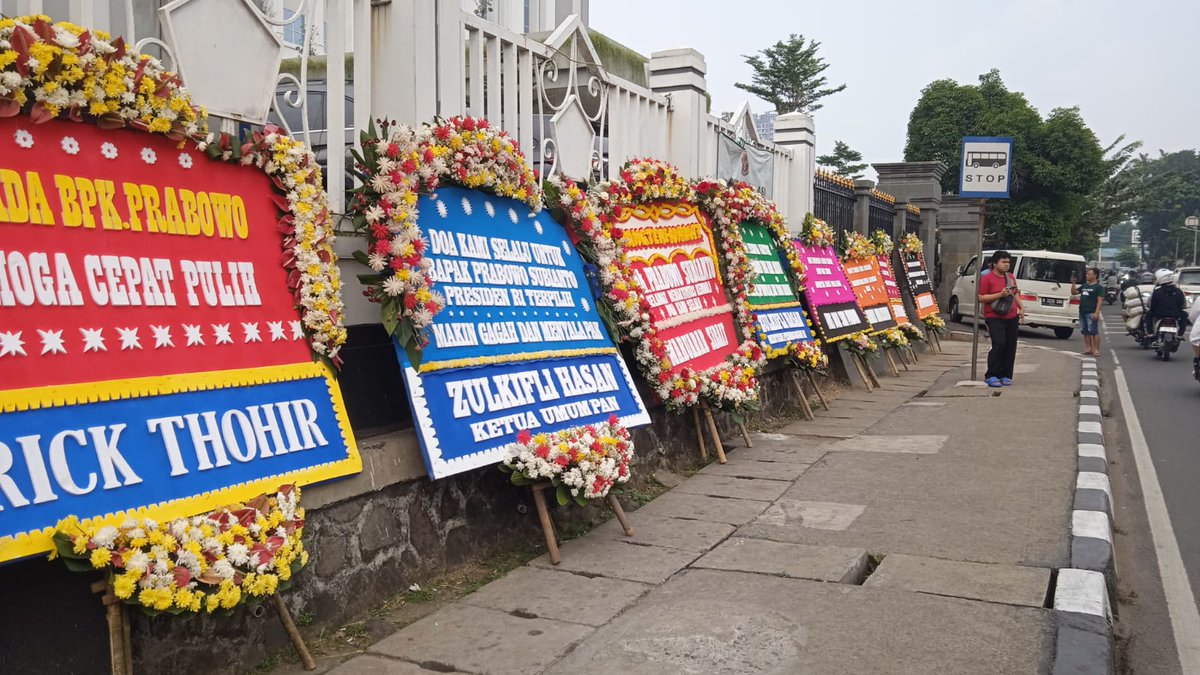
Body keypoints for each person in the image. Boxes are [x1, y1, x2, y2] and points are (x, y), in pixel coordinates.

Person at [978, 250, 1025, 387]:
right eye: (1003, 262)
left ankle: (1005, 374)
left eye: (1008, 262)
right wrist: (1000, 294)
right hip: (994, 316)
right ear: (994, 263)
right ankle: (992, 374)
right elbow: (981, 297)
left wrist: (1021, 307)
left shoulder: (1010, 277)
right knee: (999, 343)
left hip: (1011, 316)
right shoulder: (987, 278)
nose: (1006, 265)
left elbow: (1015, 294)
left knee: (1010, 346)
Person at [1145, 269, 1188, 337]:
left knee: (1148, 315)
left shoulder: (1157, 291)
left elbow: (1152, 305)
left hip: (1159, 314)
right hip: (1176, 314)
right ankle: (1180, 334)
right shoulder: (1179, 291)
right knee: (1185, 315)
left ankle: (1150, 333)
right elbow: (1183, 305)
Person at [1071, 268, 1104, 356]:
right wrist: (1073, 283)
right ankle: (1088, 348)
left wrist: (1097, 312)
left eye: (1089, 274)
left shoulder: (1099, 287)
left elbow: (1100, 300)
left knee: (1094, 331)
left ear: (1095, 275)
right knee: (1085, 331)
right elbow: (1074, 292)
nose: (1087, 275)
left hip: (1091, 311)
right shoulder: (1084, 285)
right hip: (1082, 311)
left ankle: (1096, 349)